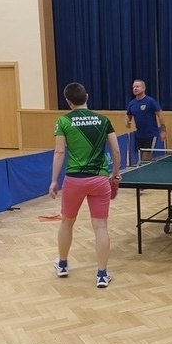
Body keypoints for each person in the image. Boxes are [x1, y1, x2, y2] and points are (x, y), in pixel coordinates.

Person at [49, 82, 121, 288]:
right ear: (87, 97)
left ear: (68, 101)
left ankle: (63, 264)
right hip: (99, 180)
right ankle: (102, 275)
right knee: (101, 227)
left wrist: (54, 180)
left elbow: (59, 152)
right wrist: (115, 175)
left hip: (74, 180)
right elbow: (116, 150)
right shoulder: (103, 120)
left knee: (67, 222)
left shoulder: (63, 121)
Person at [125, 79, 166, 161]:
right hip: (139, 135)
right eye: (133, 87)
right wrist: (127, 121)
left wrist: (163, 131)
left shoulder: (150, 101)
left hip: (151, 134)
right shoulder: (131, 103)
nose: (135, 88)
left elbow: (160, 115)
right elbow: (128, 115)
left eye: (137, 86)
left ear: (143, 88)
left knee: (146, 157)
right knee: (142, 159)